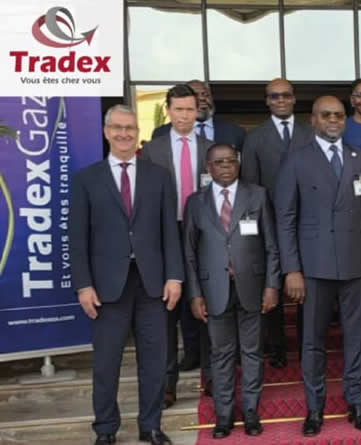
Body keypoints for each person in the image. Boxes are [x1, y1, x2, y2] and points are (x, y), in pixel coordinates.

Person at [70, 105, 182, 445]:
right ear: (106, 132)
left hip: (152, 284)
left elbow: (169, 231)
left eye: (130, 128)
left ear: (137, 132)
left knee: (155, 360)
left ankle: (151, 426)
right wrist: (83, 285)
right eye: (117, 128)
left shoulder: (159, 176)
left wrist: (174, 276)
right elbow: (77, 238)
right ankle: (106, 429)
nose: (124, 134)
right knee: (106, 363)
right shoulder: (86, 179)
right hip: (106, 287)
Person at [274, 96, 361, 437]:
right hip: (313, 267)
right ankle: (314, 408)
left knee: (356, 338)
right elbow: (285, 219)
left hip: (356, 264)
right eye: (326, 115)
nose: (333, 120)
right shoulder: (296, 160)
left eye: (338, 115)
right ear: (313, 120)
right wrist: (291, 269)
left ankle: (357, 404)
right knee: (312, 342)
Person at [183, 143, 281, 439]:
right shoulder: (195, 202)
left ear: (238, 164)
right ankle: (224, 415)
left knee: (252, 352)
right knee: (221, 353)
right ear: (208, 167)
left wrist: (272, 285)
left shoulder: (257, 195)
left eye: (231, 161)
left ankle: (251, 412)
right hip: (213, 289)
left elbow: (271, 245)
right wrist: (195, 294)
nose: (225, 166)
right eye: (219, 162)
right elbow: (189, 253)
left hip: (252, 286)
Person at [140, 84, 214, 407]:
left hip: (203, 237)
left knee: (207, 309)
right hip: (164, 235)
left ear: (198, 111)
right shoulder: (152, 150)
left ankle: (213, 379)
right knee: (166, 315)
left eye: (190, 109)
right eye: (179, 109)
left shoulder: (211, 149)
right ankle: (167, 384)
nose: (184, 116)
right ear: (168, 110)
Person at [241, 78, 315, 369]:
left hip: (308, 221)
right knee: (271, 283)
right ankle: (276, 348)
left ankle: (308, 346)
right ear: (267, 101)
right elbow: (250, 184)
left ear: (294, 98)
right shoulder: (254, 137)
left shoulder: (311, 133)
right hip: (269, 221)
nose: (281, 100)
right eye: (274, 96)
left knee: (307, 285)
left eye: (286, 95)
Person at [152, 79, 246, 152]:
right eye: (195, 95)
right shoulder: (162, 133)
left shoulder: (235, 133)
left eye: (206, 95)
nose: (202, 98)